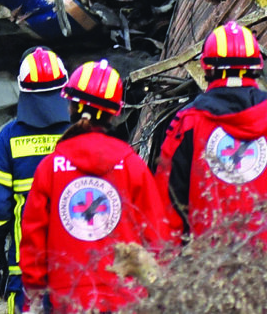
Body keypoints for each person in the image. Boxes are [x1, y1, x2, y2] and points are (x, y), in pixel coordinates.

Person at [21, 62, 170, 314]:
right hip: (126, 299)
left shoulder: (50, 168)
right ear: (114, 114)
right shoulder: (131, 164)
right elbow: (157, 235)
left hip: (68, 301)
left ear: (71, 107)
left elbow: (33, 241)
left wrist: (34, 293)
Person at [156, 22, 267, 241]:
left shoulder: (187, 123)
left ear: (206, 67)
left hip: (211, 266)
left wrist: (167, 263)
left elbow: (166, 207)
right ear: (257, 66)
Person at [0, 49, 71, 308]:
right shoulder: (79, 133)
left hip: (26, 264)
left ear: (22, 89)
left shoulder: (8, 138)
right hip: (78, 260)